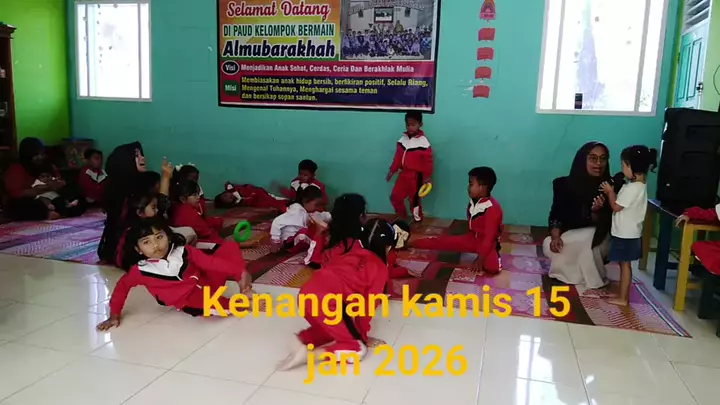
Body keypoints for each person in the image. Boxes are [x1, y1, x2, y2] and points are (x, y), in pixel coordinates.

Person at [276, 217, 395, 371]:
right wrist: (361, 337)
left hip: (306, 294)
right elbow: (368, 307)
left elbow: (325, 264)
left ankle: (301, 340)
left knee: (334, 329)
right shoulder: (380, 268)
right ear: (388, 247)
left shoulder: (349, 252)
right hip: (328, 302)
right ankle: (313, 355)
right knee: (358, 350)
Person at [96, 218, 252, 330]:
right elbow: (122, 287)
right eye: (146, 242)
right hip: (192, 302)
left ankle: (244, 286)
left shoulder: (184, 251)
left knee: (230, 247)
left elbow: (210, 263)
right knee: (236, 306)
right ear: (138, 249)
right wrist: (114, 314)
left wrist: (240, 272)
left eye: (159, 237)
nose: (155, 245)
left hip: (207, 284)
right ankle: (239, 299)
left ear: (169, 237)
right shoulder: (141, 270)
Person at [543, 141, 619, 289]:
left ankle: (580, 275)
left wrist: (595, 212)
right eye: (593, 158)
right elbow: (556, 215)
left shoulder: (610, 188)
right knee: (549, 244)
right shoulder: (563, 185)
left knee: (586, 240)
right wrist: (555, 237)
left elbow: (608, 225)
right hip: (570, 236)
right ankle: (580, 273)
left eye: (603, 158)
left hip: (598, 240)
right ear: (582, 159)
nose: (598, 163)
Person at [413, 167, 503, 274]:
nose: (468, 187)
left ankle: (493, 254)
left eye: (471, 184)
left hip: (488, 243)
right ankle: (410, 243)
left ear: (482, 187)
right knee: (442, 242)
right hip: (472, 239)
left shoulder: (492, 208)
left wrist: (480, 259)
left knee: (493, 268)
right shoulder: (473, 202)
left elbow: (489, 238)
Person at [600, 145, 657, 306]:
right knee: (623, 264)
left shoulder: (633, 189)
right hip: (629, 233)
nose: (622, 169)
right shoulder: (639, 185)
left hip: (626, 235)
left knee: (625, 266)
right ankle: (622, 294)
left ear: (633, 167)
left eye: (624, 165)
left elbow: (616, 207)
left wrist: (610, 192)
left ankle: (623, 298)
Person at [3, 137, 87, 221]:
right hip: (31, 199)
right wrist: (39, 190)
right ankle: (55, 212)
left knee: (74, 191)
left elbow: (57, 180)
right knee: (22, 205)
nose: (40, 157)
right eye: (36, 155)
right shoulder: (16, 169)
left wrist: (58, 184)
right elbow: (15, 193)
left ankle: (62, 211)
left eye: (42, 154)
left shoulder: (47, 165)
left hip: (51, 195)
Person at [98, 141, 148, 263]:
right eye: (136, 155)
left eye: (141, 154)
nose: (143, 158)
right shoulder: (119, 191)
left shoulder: (140, 184)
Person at [387, 111, 433, 222]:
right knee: (395, 197)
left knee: (414, 201)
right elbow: (397, 158)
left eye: (413, 125)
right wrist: (392, 170)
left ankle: (418, 220)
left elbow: (428, 162)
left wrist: (427, 177)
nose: (410, 127)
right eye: (408, 125)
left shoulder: (424, 142)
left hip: (416, 176)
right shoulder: (402, 140)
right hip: (403, 174)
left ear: (420, 124)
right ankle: (402, 217)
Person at [271, 186, 331, 253]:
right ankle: (320, 244)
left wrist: (334, 215)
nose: (318, 208)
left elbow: (322, 215)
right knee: (306, 233)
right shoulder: (297, 212)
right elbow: (276, 222)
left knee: (317, 225)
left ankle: (321, 243)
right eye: (316, 205)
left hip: (299, 241)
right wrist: (275, 241)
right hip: (289, 242)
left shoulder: (309, 211)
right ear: (305, 201)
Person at [214, 182, 289, 212]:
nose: (228, 197)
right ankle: (289, 203)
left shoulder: (234, 189)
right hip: (260, 199)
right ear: (229, 204)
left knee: (273, 200)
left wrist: (231, 190)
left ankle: (288, 202)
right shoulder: (239, 203)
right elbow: (250, 201)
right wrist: (252, 196)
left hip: (260, 192)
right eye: (227, 200)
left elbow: (227, 184)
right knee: (273, 203)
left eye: (225, 195)